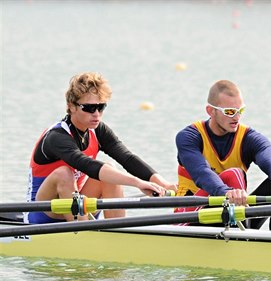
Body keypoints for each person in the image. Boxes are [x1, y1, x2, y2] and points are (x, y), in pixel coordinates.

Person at [26, 72, 176, 224]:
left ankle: (117, 231)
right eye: (89, 108)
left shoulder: (98, 130)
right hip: (44, 213)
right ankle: (84, 231)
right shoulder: (56, 137)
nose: (96, 114)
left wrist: (163, 184)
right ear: (71, 107)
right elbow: (88, 165)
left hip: (76, 205)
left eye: (101, 107)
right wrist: (137, 183)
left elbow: (127, 158)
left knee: (110, 170)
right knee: (64, 174)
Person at [175, 79, 271, 230]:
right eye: (230, 112)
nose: (237, 117)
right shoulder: (189, 137)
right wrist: (226, 192)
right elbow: (201, 172)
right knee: (234, 174)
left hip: (234, 214)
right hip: (190, 217)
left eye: (240, 111)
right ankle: (244, 238)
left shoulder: (250, 138)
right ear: (211, 111)